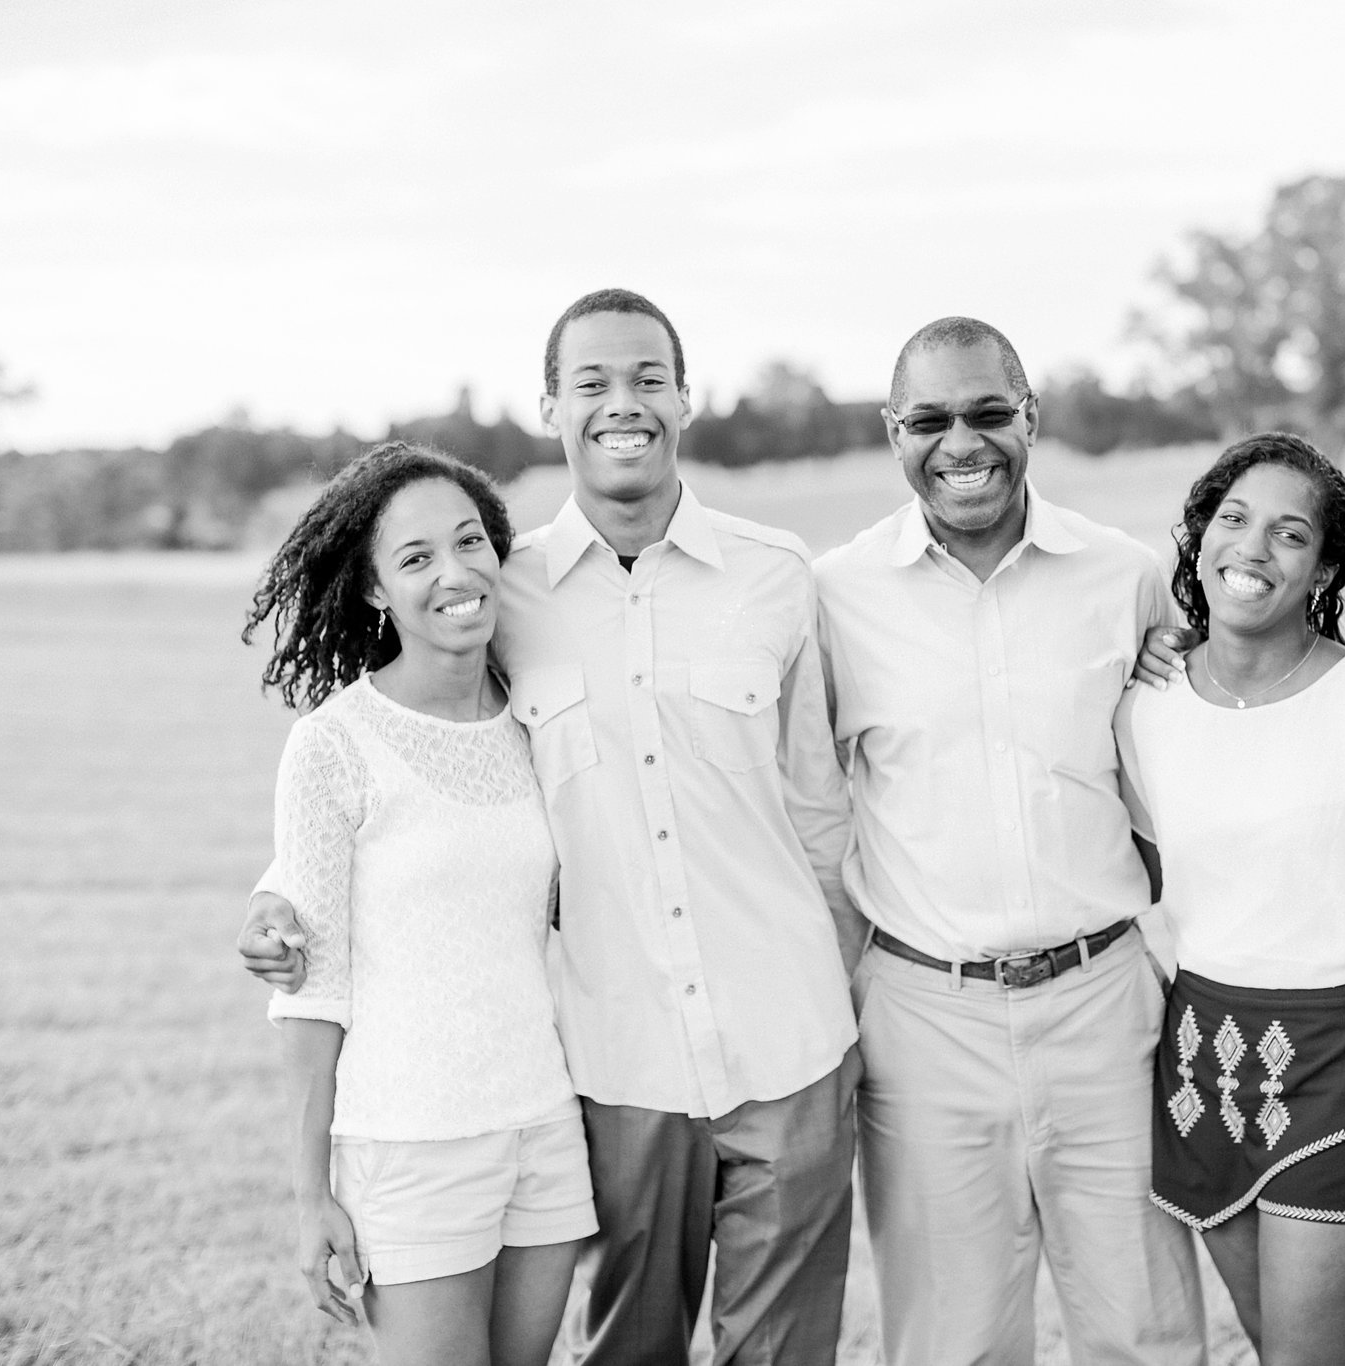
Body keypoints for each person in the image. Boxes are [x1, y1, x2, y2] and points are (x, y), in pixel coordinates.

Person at [242, 289, 864, 1366]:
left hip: (792, 1040)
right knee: (631, 1350)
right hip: (617, 1064)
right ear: (549, 407)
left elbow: (818, 808)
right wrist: (279, 888)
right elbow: (414, 752)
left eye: (645, 378)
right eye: (590, 383)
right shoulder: (499, 586)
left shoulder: (778, 575)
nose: (622, 405)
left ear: (685, 395)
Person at [813, 317, 1206, 1366]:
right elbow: (788, 794)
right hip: (922, 1018)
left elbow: (1196, 763)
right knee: (952, 1345)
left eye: (988, 412)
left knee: (1146, 1333)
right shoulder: (835, 595)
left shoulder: (1120, 577)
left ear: (1029, 416)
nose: (961, 443)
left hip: (1102, 1005)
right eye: (927, 420)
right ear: (891, 430)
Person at [242, 441, 597, 1366]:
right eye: (415, 557)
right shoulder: (335, 745)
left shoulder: (538, 718)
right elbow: (311, 992)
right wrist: (310, 1194)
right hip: (410, 1144)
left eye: (470, 540)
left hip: (545, 1126)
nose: (455, 572)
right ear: (373, 591)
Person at [1113, 432, 1345, 1366]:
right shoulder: (1143, 708)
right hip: (1201, 1056)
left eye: (1290, 535)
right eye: (1233, 519)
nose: (1252, 549)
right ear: (1200, 533)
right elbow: (1149, 870)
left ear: (1325, 566)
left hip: (1342, 1056)